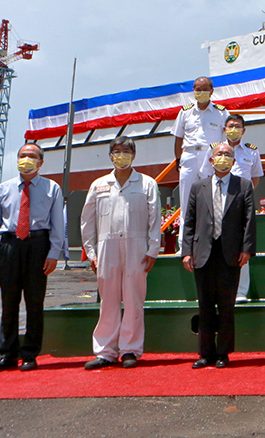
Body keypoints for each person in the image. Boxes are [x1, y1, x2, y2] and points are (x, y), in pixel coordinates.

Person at [0, 144, 66, 373]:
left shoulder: (52, 189)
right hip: (9, 245)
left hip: (38, 244)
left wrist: (53, 254)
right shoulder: (2, 189)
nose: (26, 159)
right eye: (22, 155)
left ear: (41, 162)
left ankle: (29, 354)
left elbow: (58, 225)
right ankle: (7, 354)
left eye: (32, 156)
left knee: (34, 302)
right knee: (9, 302)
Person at [80, 137, 161, 370]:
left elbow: (155, 219)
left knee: (134, 299)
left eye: (126, 151)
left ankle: (130, 350)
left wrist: (153, 249)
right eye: (117, 152)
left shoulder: (146, 183)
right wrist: (91, 252)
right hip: (107, 248)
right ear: (110, 156)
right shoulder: (99, 185)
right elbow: (87, 222)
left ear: (134, 155)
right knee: (109, 300)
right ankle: (105, 351)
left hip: (137, 248)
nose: (121, 155)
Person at [182, 143, 256, 368]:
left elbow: (249, 220)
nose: (223, 157)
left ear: (234, 161)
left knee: (226, 305)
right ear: (211, 160)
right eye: (219, 154)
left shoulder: (243, 186)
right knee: (205, 305)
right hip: (203, 251)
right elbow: (189, 221)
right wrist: (187, 251)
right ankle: (206, 353)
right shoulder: (198, 187)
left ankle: (223, 353)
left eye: (228, 155)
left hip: (230, 252)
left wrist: (246, 249)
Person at [198, 114, 263, 303]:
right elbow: (205, 175)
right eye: (230, 126)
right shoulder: (214, 150)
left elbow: (256, 178)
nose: (233, 129)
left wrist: (242, 196)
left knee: (241, 244)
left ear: (243, 130)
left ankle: (241, 291)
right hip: (217, 200)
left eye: (237, 126)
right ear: (224, 129)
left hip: (240, 201)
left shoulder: (252, 151)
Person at [172, 76, 228, 233]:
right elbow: (178, 138)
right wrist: (178, 160)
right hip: (189, 155)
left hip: (210, 157)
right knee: (185, 200)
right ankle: (184, 244)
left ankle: (210, 238)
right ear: (193, 91)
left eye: (204, 89)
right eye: (198, 89)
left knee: (211, 199)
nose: (201, 92)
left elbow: (226, 139)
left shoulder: (221, 113)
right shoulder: (185, 112)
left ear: (212, 91)